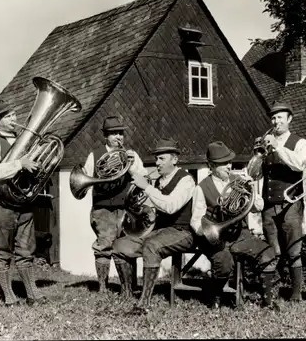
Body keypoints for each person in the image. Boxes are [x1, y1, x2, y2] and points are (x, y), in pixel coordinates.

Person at [191, 141, 279, 310]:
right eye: (223, 164)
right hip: (217, 238)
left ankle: (268, 301)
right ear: (211, 166)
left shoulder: (239, 180)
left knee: (267, 253)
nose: (228, 166)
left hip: (240, 234)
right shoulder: (201, 188)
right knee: (224, 264)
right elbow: (196, 219)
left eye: (229, 162)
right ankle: (216, 297)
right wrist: (206, 232)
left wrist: (252, 189)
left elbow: (258, 207)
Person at [112, 138, 196, 314]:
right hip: (160, 231)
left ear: (174, 159)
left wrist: (146, 188)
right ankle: (127, 294)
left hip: (183, 232)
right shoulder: (158, 181)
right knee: (119, 246)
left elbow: (171, 206)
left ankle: (144, 303)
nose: (157, 163)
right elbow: (153, 207)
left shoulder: (186, 180)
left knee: (151, 246)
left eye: (161, 159)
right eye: (156, 159)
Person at [0, 97, 45, 306]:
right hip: (0, 204)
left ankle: (32, 294)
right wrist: (20, 163)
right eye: (8, 116)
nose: (14, 119)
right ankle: (8, 296)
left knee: (26, 249)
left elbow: (26, 167)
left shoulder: (20, 139)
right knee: (3, 251)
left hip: (22, 202)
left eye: (13, 114)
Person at [83, 116, 146, 294]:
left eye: (121, 133)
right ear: (105, 136)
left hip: (126, 209)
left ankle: (129, 286)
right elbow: (86, 179)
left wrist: (132, 165)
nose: (118, 137)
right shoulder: (94, 155)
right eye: (113, 134)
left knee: (127, 246)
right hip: (103, 209)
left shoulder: (131, 154)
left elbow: (142, 177)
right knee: (104, 245)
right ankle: (103, 287)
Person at [259, 101, 306, 302]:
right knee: (273, 249)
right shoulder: (266, 141)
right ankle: (274, 289)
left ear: (289, 119)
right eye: (273, 117)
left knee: (293, 248)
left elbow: (299, 165)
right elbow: (257, 173)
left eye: (280, 117)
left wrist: (278, 146)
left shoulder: (299, 142)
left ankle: (296, 293)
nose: (276, 121)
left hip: (291, 202)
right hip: (269, 203)